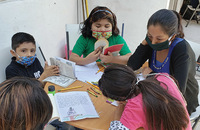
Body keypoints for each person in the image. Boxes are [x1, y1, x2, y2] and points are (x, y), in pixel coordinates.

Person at [127, 9, 199, 115]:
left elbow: (177, 91)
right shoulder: (152, 41)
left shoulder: (181, 50)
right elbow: (132, 65)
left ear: (172, 37)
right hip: (156, 94)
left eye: (159, 39)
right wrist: (143, 44)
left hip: (180, 103)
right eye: (150, 36)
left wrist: (151, 76)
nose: (153, 42)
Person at [98, 64, 191, 130]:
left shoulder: (134, 108)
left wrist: (119, 108)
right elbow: (184, 103)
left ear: (119, 98)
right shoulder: (163, 78)